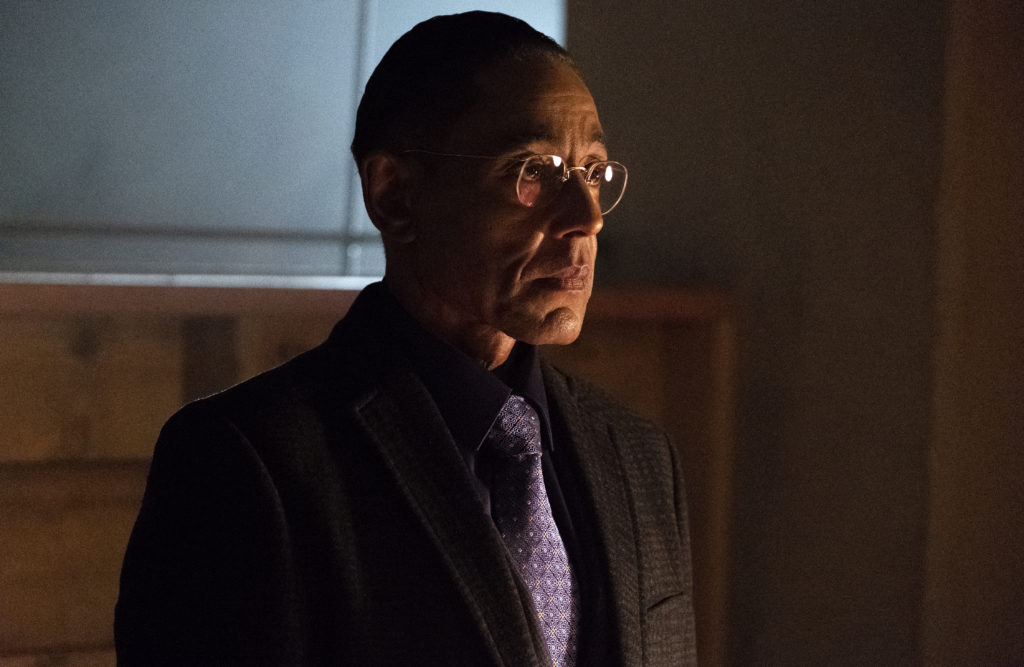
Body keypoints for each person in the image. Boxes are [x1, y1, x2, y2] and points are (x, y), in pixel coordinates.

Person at [115, 11, 697, 666]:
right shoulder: (249, 465)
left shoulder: (640, 457)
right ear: (394, 194)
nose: (586, 217)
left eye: (592, 171)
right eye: (534, 170)